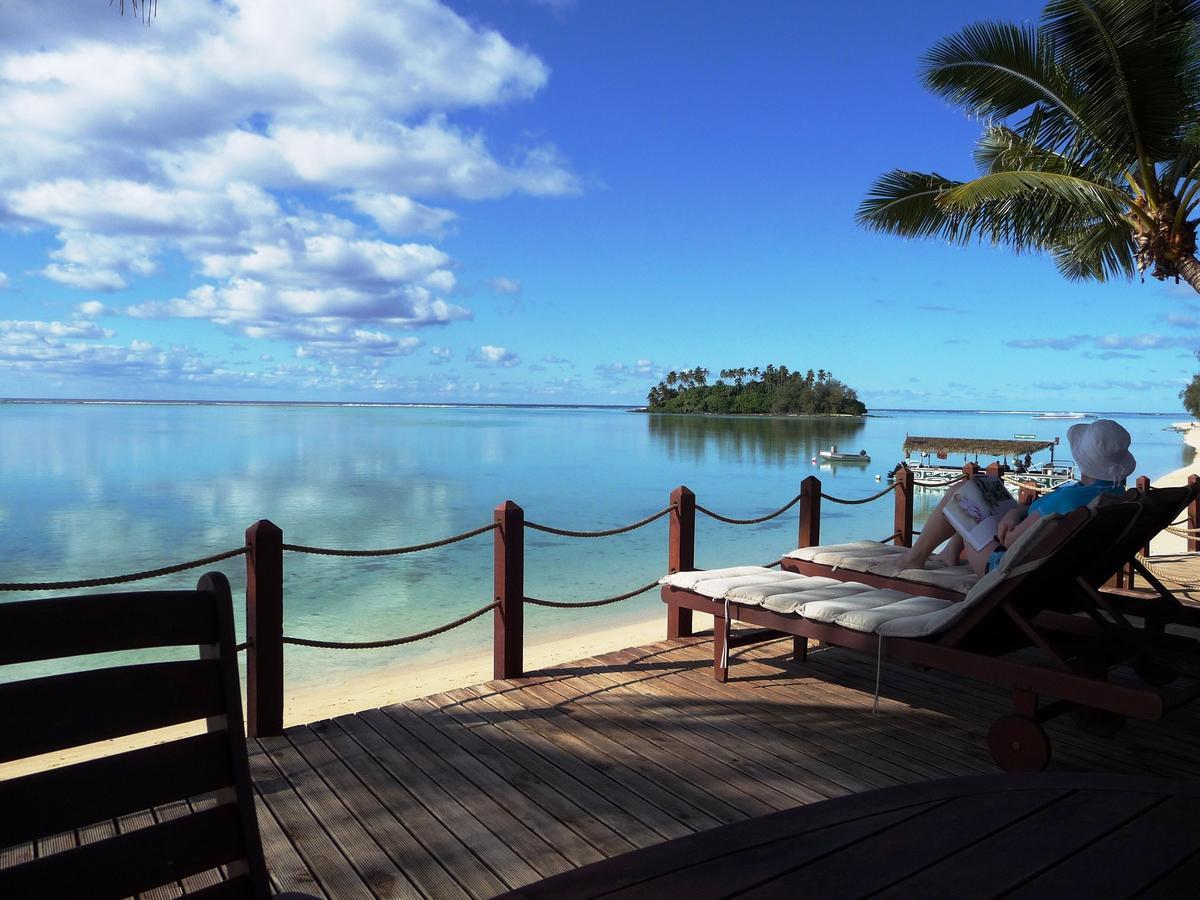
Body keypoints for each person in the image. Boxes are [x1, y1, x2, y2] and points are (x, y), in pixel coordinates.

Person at [887, 419, 1135, 577]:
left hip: (1005, 565)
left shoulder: (1069, 499)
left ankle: (914, 558)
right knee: (973, 491)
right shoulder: (1115, 495)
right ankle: (948, 553)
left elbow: (1012, 539)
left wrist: (1012, 516)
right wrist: (1016, 512)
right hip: (1060, 569)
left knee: (960, 494)